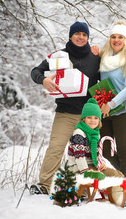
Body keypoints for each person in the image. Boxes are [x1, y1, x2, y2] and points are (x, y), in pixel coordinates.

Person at [30, 21, 101, 195]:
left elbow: (107, 78)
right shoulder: (58, 56)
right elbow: (35, 71)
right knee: (56, 147)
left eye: (84, 35)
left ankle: (86, 188)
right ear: (70, 36)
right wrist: (44, 80)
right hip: (65, 112)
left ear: (88, 37)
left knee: (87, 150)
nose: (81, 37)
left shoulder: (96, 58)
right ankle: (44, 185)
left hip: (88, 117)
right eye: (77, 34)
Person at [67, 98, 126, 211]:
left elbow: (98, 154)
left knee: (118, 174)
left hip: (93, 166)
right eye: (89, 117)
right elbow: (79, 158)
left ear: (99, 120)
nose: (92, 121)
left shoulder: (95, 134)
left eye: (95, 118)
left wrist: (102, 164)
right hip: (79, 168)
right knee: (110, 176)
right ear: (83, 119)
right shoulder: (79, 134)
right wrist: (86, 172)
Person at [98, 20, 126, 199]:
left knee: (123, 150)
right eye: (113, 37)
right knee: (107, 148)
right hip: (104, 110)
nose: (116, 40)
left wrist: (111, 104)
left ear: (125, 40)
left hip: (121, 110)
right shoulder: (104, 58)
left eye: (120, 37)